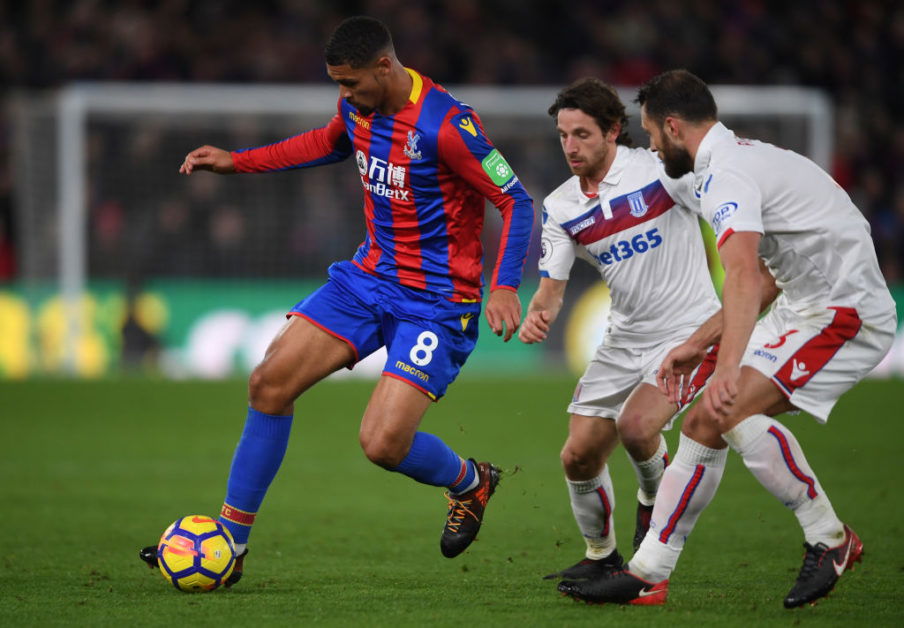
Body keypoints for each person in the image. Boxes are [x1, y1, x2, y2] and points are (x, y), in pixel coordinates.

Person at [139, 16, 534, 584]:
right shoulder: (358, 110)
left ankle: (471, 482)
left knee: (381, 443)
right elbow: (325, 143)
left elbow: (516, 201)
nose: (343, 96)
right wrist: (238, 160)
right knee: (268, 383)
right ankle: (232, 541)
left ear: (384, 66)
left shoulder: (449, 124)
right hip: (366, 280)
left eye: (349, 83)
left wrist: (503, 286)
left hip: (438, 303)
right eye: (337, 85)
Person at [558, 69, 897, 608]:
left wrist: (726, 367)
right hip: (803, 305)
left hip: (844, 312)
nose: (649, 145)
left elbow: (740, 274)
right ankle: (649, 572)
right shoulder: (738, 159)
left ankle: (829, 538)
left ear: (672, 127)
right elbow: (764, 278)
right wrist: (701, 343)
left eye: (650, 133)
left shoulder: (726, 176)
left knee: (723, 408)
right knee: (703, 422)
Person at [518, 78, 722, 582]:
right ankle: (600, 555)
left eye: (582, 134)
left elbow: (721, 208)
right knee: (578, 455)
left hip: (689, 331)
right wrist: (537, 312)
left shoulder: (658, 169)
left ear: (613, 132)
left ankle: (653, 500)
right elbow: (551, 288)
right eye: (563, 135)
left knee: (636, 428)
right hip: (625, 336)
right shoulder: (562, 206)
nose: (570, 146)